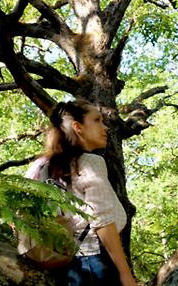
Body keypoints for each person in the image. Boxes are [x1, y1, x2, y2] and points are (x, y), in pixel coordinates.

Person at [34, 100, 138, 286]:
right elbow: (102, 220)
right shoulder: (90, 162)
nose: (105, 127)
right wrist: (125, 274)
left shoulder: (39, 166)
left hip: (59, 263)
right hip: (93, 263)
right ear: (78, 127)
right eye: (97, 120)